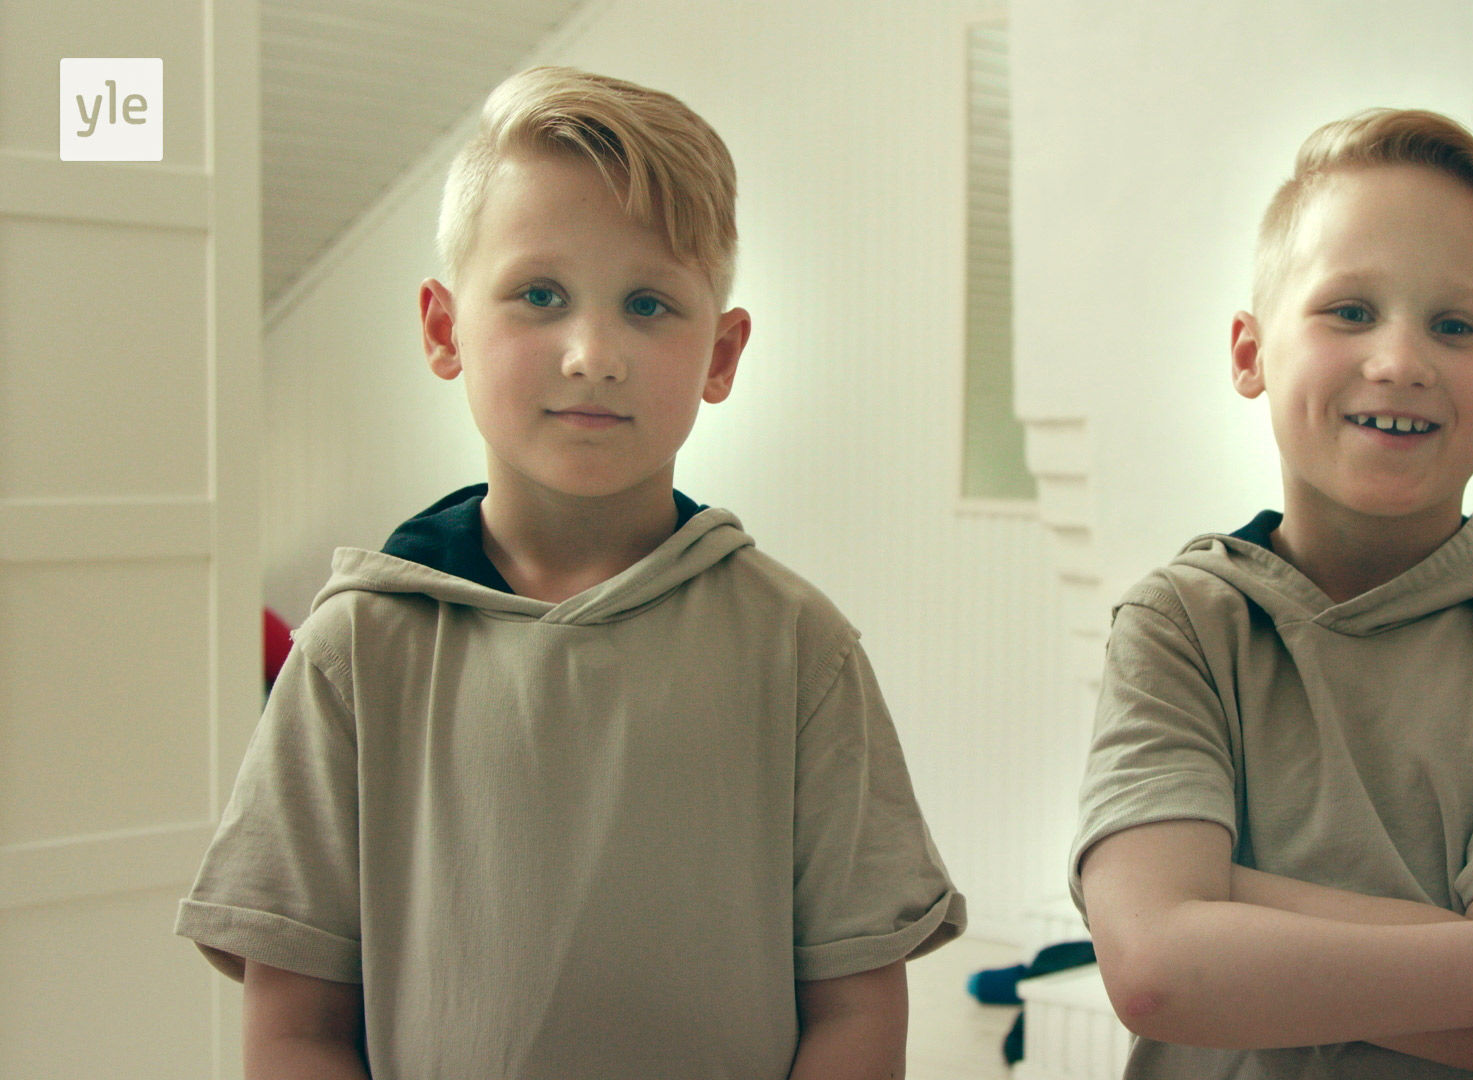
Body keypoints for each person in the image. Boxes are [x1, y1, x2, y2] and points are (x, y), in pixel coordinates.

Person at [175, 65, 963, 1079]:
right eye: (539, 296)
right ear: (443, 328)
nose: (593, 353)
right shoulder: (353, 651)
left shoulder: (800, 650)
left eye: (648, 303)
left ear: (722, 355)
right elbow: (296, 1030)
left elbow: (857, 1011)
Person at [1072, 108, 1473, 1080]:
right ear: (1250, 353)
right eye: (1349, 311)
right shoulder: (1181, 623)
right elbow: (1159, 973)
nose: (1399, 362)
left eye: (1455, 326)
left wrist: (1216, 903)